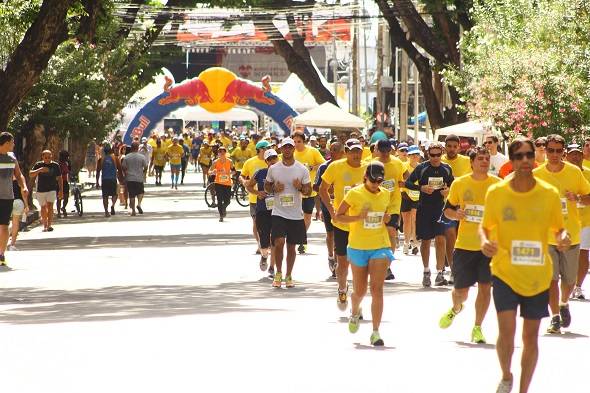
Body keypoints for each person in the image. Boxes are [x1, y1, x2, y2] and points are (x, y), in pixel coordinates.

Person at [480, 138, 570, 393]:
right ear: (512, 160)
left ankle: (523, 390)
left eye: (529, 155)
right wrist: (486, 241)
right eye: (519, 156)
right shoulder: (497, 192)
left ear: (534, 157)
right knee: (506, 332)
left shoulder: (548, 193)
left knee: (530, 338)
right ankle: (507, 375)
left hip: (537, 276)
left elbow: (559, 229)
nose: (525, 161)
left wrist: (562, 238)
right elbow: (485, 227)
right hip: (505, 272)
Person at [438, 147, 500, 343]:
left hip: (488, 247)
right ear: (471, 162)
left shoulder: (498, 185)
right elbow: (447, 211)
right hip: (464, 245)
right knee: (461, 292)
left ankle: (477, 327)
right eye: (480, 158)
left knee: (485, 288)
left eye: (486, 158)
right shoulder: (460, 183)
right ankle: (456, 308)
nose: (484, 161)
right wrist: (456, 215)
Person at [532, 134, 590, 333]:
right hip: (547, 236)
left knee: (570, 280)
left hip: (571, 234)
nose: (554, 155)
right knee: (551, 279)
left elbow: (589, 197)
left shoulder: (574, 173)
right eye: (551, 150)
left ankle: (564, 303)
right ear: (545, 151)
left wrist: (579, 198)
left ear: (563, 152)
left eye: (558, 151)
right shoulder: (537, 174)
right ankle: (555, 316)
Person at [337, 162, 394, 347]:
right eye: (372, 181)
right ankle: (354, 311)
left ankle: (376, 332)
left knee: (377, 289)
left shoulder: (385, 194)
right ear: (365, 177)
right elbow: (338, 216)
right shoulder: (354, 193)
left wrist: (386, 218)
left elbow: (385, 215)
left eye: (379, 181)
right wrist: (357, 218)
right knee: (359, 291)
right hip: (358, 246)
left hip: (380, 245)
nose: (376, 185)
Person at [320, 139, 366, 308]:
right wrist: (332, 211)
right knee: (343, 261)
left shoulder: (367, 168)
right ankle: (342, 289)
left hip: (361, 225)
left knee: (360, 265)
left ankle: (357, 299)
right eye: (352, 151)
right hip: (341, 224)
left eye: (359, 151)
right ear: (346, 151)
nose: (356, 154)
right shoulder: (336, 167)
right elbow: (322, 189)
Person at [264, 137, 311, 288]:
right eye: (285, 147)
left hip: (296, 213)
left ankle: (289, 275)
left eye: (290, 147)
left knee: (291, 246)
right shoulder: (273, 168)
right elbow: (266, 186)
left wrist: (300, 187)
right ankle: (278, 273)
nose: (288, 150)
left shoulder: (302, 169)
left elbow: (308, 191)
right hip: (278, 212)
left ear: (294, 149)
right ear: (281, 149)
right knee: (279, 242)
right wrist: (273, 189)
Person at [405, 142, 453, 287]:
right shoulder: (422, 168)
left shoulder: (447, 168)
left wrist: (448, 190)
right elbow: (407, 183)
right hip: (424, 208)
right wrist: (421, 188)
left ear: (442, 153)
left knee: (440, 239)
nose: (435, 158)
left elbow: (453, 184)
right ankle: (426, 271)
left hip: (439, 208)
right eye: (432, 155)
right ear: (428, 154)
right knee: (425, 241)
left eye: (438, 155)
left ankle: (440, 273)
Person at [373, 139, 408, 280]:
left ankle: (387, 266)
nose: (386, 153)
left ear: (392, 150)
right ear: (377, 150)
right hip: (377, 203)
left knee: (391, 232)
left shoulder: (397, 163)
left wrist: (404, 183)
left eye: (388, 150)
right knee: (378, 234)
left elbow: (406, 175)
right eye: (383, 150)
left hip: (393, 203)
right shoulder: (373, 164)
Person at [441, 134, 472, 283]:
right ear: (445, 146)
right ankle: (453, 270)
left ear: (459, 147)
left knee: (462, 237)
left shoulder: (467, 161)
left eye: (455, 146)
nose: (452, 149)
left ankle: (464, 267)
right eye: (449, 146)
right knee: (450, 235)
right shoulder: (439, 161)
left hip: (467, 206)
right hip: (447, 205)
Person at [245, 149, 279, 272]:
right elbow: (248, 185)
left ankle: (272, 267)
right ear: (266, 161)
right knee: (264, 239)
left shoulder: (283, 173)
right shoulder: (260, 173)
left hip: (278, 211)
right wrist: (257, 192)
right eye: (270, 159)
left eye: (274, 158)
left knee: (276, 239)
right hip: (262, 210)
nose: (273, 161)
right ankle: (264, 256)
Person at [292, 131, 325, 253]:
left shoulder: (312, 151)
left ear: (304, 141)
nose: (296, 144)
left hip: (309, 191)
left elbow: (322, 164)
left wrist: (312, 167)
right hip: (294, 191)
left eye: (299, 142)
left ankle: (302, 238)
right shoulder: (291, 152)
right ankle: (300, 238)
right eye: (294, 142)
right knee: (296, 217)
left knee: (307, 216)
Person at [314, 142, 344, 277]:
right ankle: (331, 256)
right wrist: (326, 190)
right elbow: (316, 187)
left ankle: (339, 263)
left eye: (336, 150)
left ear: (343, 152)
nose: (332, 152)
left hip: (344, 206)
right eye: (331, 150)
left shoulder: (347, 167)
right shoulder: (323, 167)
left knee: (340, 235)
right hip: (328, 205)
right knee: (331, 234)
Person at [566, 143, 590, 299]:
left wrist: (581, 199)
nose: (575, 157)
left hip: (586, 221)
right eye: (572, 154)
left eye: (578, 154)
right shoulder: (563, 173)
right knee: (566, 256)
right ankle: (566, 285)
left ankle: (578, 287)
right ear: (566, 156)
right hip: (566, 221)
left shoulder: (588, 173)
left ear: (582, 156)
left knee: (583, 254)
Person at [0, 132, 27, 265]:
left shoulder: (12, 157)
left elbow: (19, 174)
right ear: (6, 143)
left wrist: (24, 186)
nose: (14, 144)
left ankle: (1, 254)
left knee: (4, 226)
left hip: (7, 197)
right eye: (12, 142)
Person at [240, 140, 270, 254]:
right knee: (256, 223)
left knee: (271, 222)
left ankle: (268, 244)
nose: (268, 150)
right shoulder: (250, 162)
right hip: (255, 198)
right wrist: (244, 182)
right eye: (266, 148)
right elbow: (242, 175)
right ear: (260, 149)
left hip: (271, 199)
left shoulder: (273, 160)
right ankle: (260, 244)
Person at [30, 150, 63, 232]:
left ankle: (49, 225)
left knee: (50, 206)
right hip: (41, 189)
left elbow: (59, 178)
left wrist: (61, 190)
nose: (47, 159)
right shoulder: (38, 165)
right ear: (42, 157)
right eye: (46, 157)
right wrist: (40, 170)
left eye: (49, 157)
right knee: (43, 207)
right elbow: (31, 174)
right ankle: (44, 224)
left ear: (51, 157)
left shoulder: (55, 165)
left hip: (52, 189)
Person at [400, 145, 421, 255]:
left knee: (414, 218)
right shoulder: (403, 166)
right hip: (405, 195)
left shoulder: (421, 167)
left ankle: (414, 242)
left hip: (417, 196)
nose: (414, 156)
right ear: (408, 156)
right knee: (406, 219)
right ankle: (406, 242)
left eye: (416, 154)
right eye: (412, 154)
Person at [122, 142, 148, 216]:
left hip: (130, 178)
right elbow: (146, 166)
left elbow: (123, 167)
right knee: (141, 192)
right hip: (139, 178)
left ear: (131, 148)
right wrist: (143, 172)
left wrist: (126, 173)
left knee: (132, 195)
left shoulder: (127, 157)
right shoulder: (142, 157)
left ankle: (133, 211)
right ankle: (139, 204)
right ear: (137, 148)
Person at [96, 143, 121, 217]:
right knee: (115, 194)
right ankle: (113, 205)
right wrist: (121, 179)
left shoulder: (101, 159)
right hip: (113, 179)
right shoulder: (115, 158)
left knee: (105, 196)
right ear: (111, 151)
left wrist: (97, 182)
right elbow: (119, 169)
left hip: (104, 180)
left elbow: (97, 171)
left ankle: (106, 211)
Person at [211, 145, 234, 222]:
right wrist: (212, 172)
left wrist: (229, 172)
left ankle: (224, 208)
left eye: (223, 152)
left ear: (225, 153)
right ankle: (221, 215)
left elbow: (234, 171)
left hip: (227, 183)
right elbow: (209, 172)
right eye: (220, 152)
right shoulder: (215, 162)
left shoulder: (230, 161)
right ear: (218, 153)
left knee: (228, 201)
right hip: (218, 183)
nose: (222, 154)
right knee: (219, 200)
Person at [8, 175, 29, 252]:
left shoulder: (3, 175)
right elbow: (23, 191)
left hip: (5, 201)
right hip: (18, 201)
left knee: (4, 223)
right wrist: (26, 205)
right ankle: (12, 245)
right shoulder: (20, 177)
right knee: (15, 223)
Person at [56, 150, 71, 218]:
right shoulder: (58, 164)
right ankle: (58, 212)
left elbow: (69, 171)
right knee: (59, 198)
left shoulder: (67, 163)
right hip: (58, 182)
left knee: (66, 197)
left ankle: (63, 207)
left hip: (65, 181)